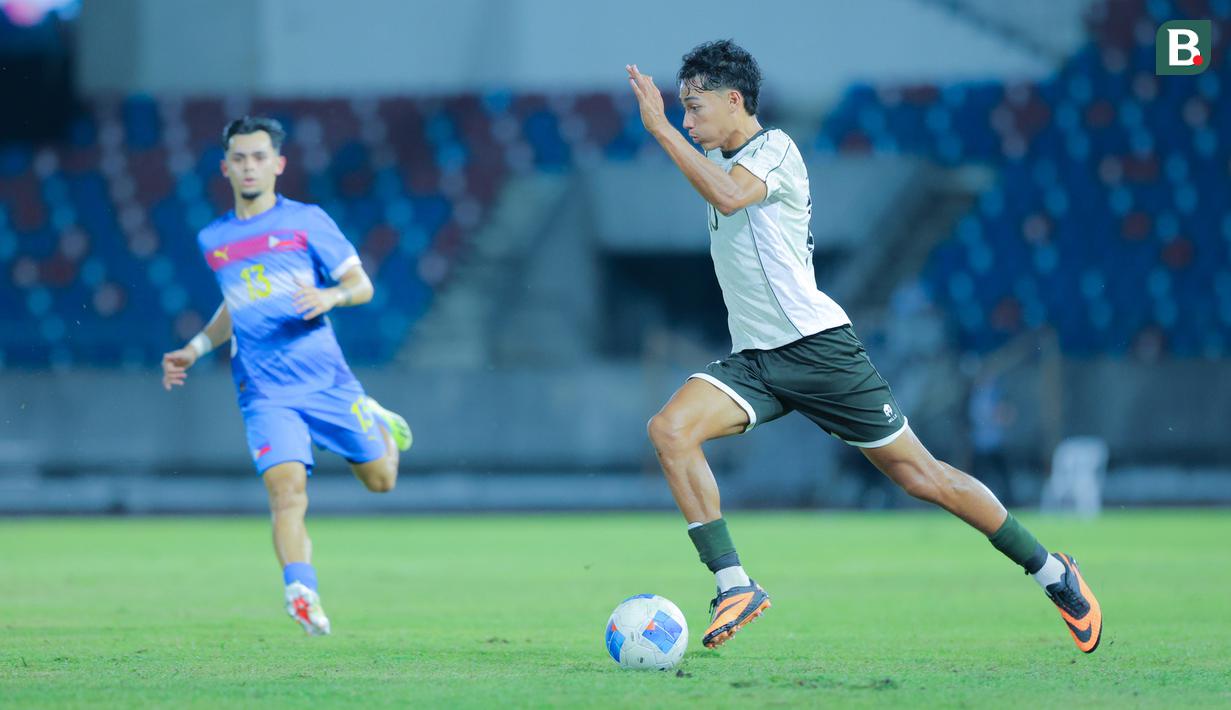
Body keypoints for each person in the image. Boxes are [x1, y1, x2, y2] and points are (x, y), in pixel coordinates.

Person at [625, 40, 1101, 653]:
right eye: (681, 112)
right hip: (757, 361)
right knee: (670, 431)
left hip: (820, 351)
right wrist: (674, 132)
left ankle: (1053, 572)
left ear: (734, 99)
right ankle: (734, 584)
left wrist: (661, 130)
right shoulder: (726, 163)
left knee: (924, 477)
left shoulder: (774, 151)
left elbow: (729, 195)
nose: (688, 121)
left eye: (694, 107)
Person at [160, 116, 412, 636]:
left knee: (382, 481)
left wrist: (330, 295)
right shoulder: (216, 239)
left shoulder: (307, 221)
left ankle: (377, 423)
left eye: (258, 157)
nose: (249, 166)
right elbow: (236, 304)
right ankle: (301, 591)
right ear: (225, 167)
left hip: (326, 381)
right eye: (239, 157)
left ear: (277, 164)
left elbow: (360, 284)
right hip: (263, 390)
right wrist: (196, 346)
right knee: (287, 492)